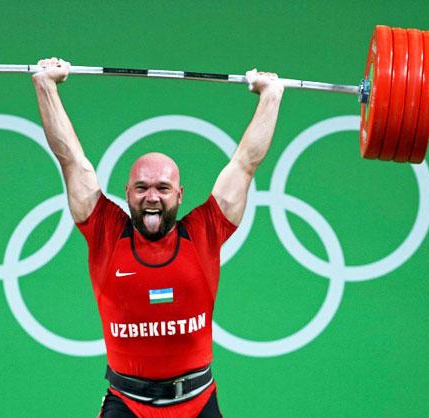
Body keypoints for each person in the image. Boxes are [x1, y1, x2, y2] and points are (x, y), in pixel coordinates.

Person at [32, 57, 284, 418]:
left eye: (162, 188)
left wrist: (270, 96)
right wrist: (46, 85)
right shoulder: (106, 231)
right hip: (128, 405)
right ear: (127, 192)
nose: (152, 196)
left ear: (179, 195)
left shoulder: (204, 233)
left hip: (198, 404)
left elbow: (245, 163)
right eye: (142, 187)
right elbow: (71, 159)